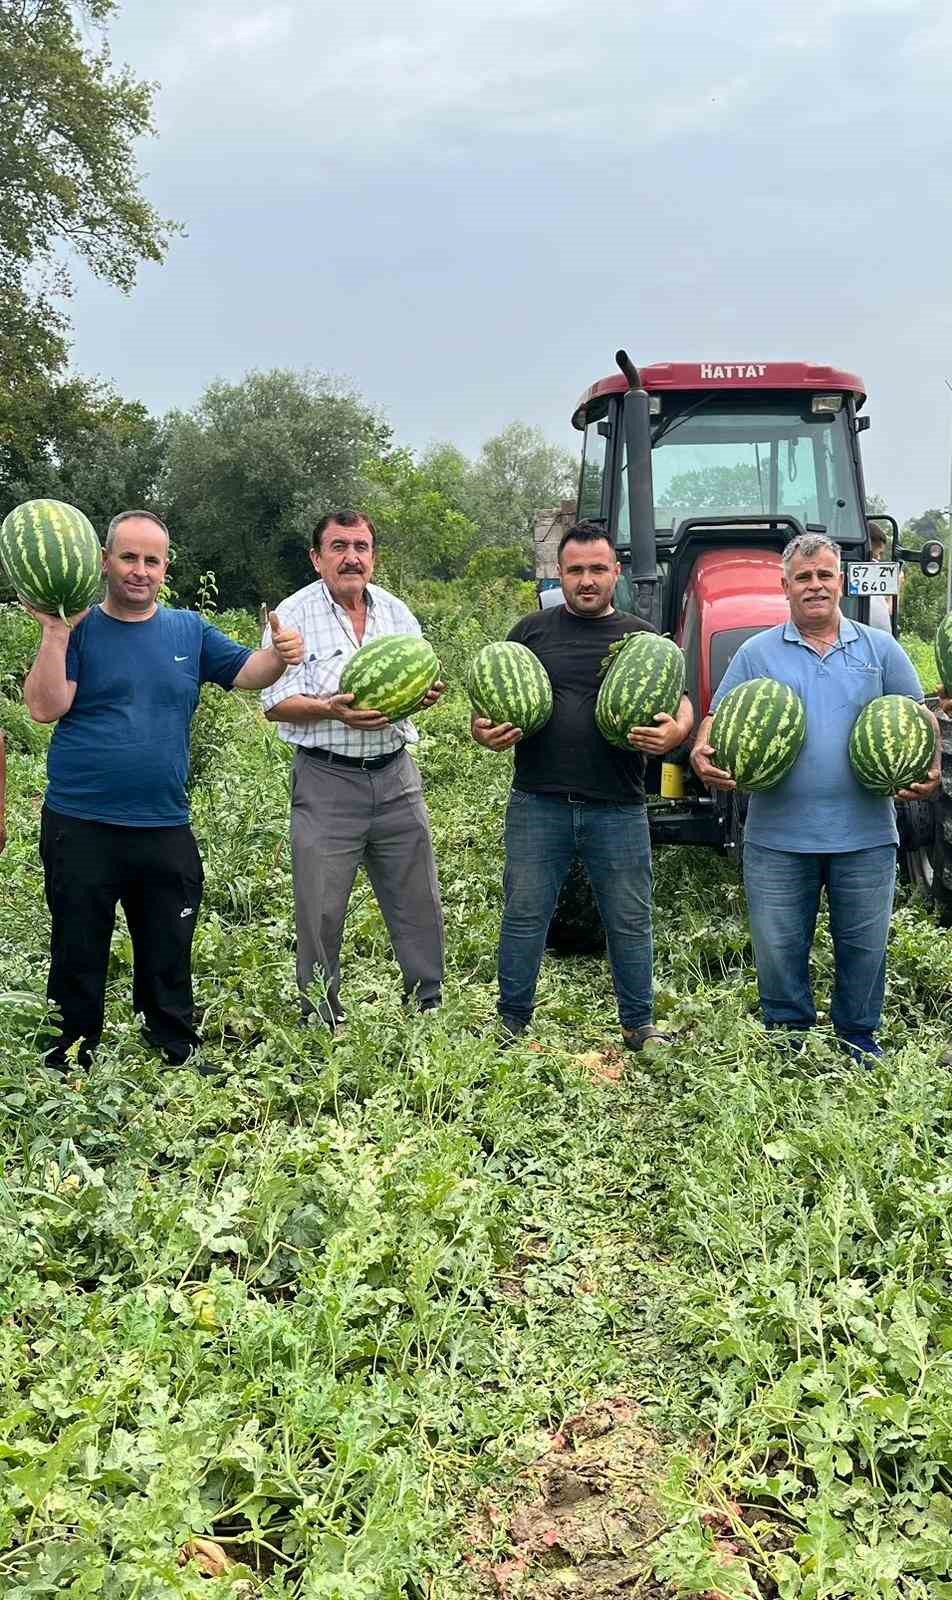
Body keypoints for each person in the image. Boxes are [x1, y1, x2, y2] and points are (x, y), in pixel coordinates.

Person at [23, 509, 304, 1069]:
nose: (139, 570)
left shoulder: (188, 630)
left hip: (162, 821)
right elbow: (43, 706)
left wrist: (280, 654)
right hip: (81, 822)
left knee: (167, 947)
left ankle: (173, 1044)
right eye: (128, 557)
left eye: (151, 560)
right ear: (105, 562)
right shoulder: (79, 628)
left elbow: (249, 672)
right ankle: (70, 1052)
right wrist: (55, 632)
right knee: (78, 946)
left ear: (166, 567)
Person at [691, 531, 940, 1063]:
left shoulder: (881, 650)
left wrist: (933, 766)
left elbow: (918, 714)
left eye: (824, 575)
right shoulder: (757, 653)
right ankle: (787, 1039)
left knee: (864, 945)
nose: (815, 585)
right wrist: (701, 749)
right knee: (779, 948)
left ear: (842, 582)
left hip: (866, 834)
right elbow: (714, 720)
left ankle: (857, 1037)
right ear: (785, 586)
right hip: (778, 837)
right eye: (803, 577)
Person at [471, 519, 694, 1050]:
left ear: (615, 572)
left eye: (598, 569)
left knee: (630, 918)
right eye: (576, 570)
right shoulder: (530, 632)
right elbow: (488, 707)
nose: (587, 580)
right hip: (537, 800)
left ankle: (639, 1026)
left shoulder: (642, 638)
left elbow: (681, 701)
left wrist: (678, 730)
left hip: (617, 804)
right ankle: (511, 1021)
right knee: (525, 915)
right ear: (560, 574)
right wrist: (482, 731)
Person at [262, 511, 445, 1028]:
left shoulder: (394, 611)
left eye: (361, 546)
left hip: (395, 772)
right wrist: (331, 708)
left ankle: (427, 1002)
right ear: (317, 557)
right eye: (338, 546)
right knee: (320, 903)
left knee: (418, 894)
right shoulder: (292, 615)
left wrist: (423, 695)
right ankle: (320, 1016)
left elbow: (416, 677)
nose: (352, 557)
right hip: (326, 778)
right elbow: (273, 702)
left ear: (373, 556)